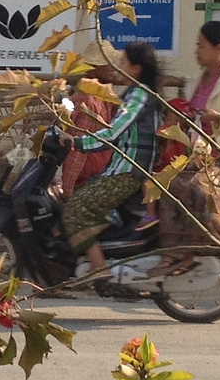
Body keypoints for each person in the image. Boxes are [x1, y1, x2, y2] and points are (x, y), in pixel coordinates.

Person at [147, 20, 220, 277]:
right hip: (197, 156)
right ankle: (171, 251)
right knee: (160, 179)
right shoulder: (202, 78)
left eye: (201, 46)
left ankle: (183, 253)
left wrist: (218, 118)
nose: (197, 51)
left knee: (183, 186)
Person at [59, 42, 163, 280]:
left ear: (136, 69)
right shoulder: (123, 94)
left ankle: (101, 271)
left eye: (123, 62)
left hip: (127, 172)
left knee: (74, 210)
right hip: (119, 169)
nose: (117, 67)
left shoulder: (138, 94)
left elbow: (113, 132)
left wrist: (76, 143)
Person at [60, 40, 120, 199]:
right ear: (95, 68)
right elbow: (78, 151)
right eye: (108, 63)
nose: (114, 67)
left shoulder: (105, 99)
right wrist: (68, 189)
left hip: (100, 178)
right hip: (86, 183)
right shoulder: (88, 102)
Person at [135, 97, 192, 231]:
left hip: (176, 173)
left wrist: (171, 142)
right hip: (162, 169)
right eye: (168, 119)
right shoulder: (164, 135)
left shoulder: (182, 139)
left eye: (177, 121)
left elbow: (175, 160)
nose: (171, 124)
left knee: (149, 182)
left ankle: (151, 215)